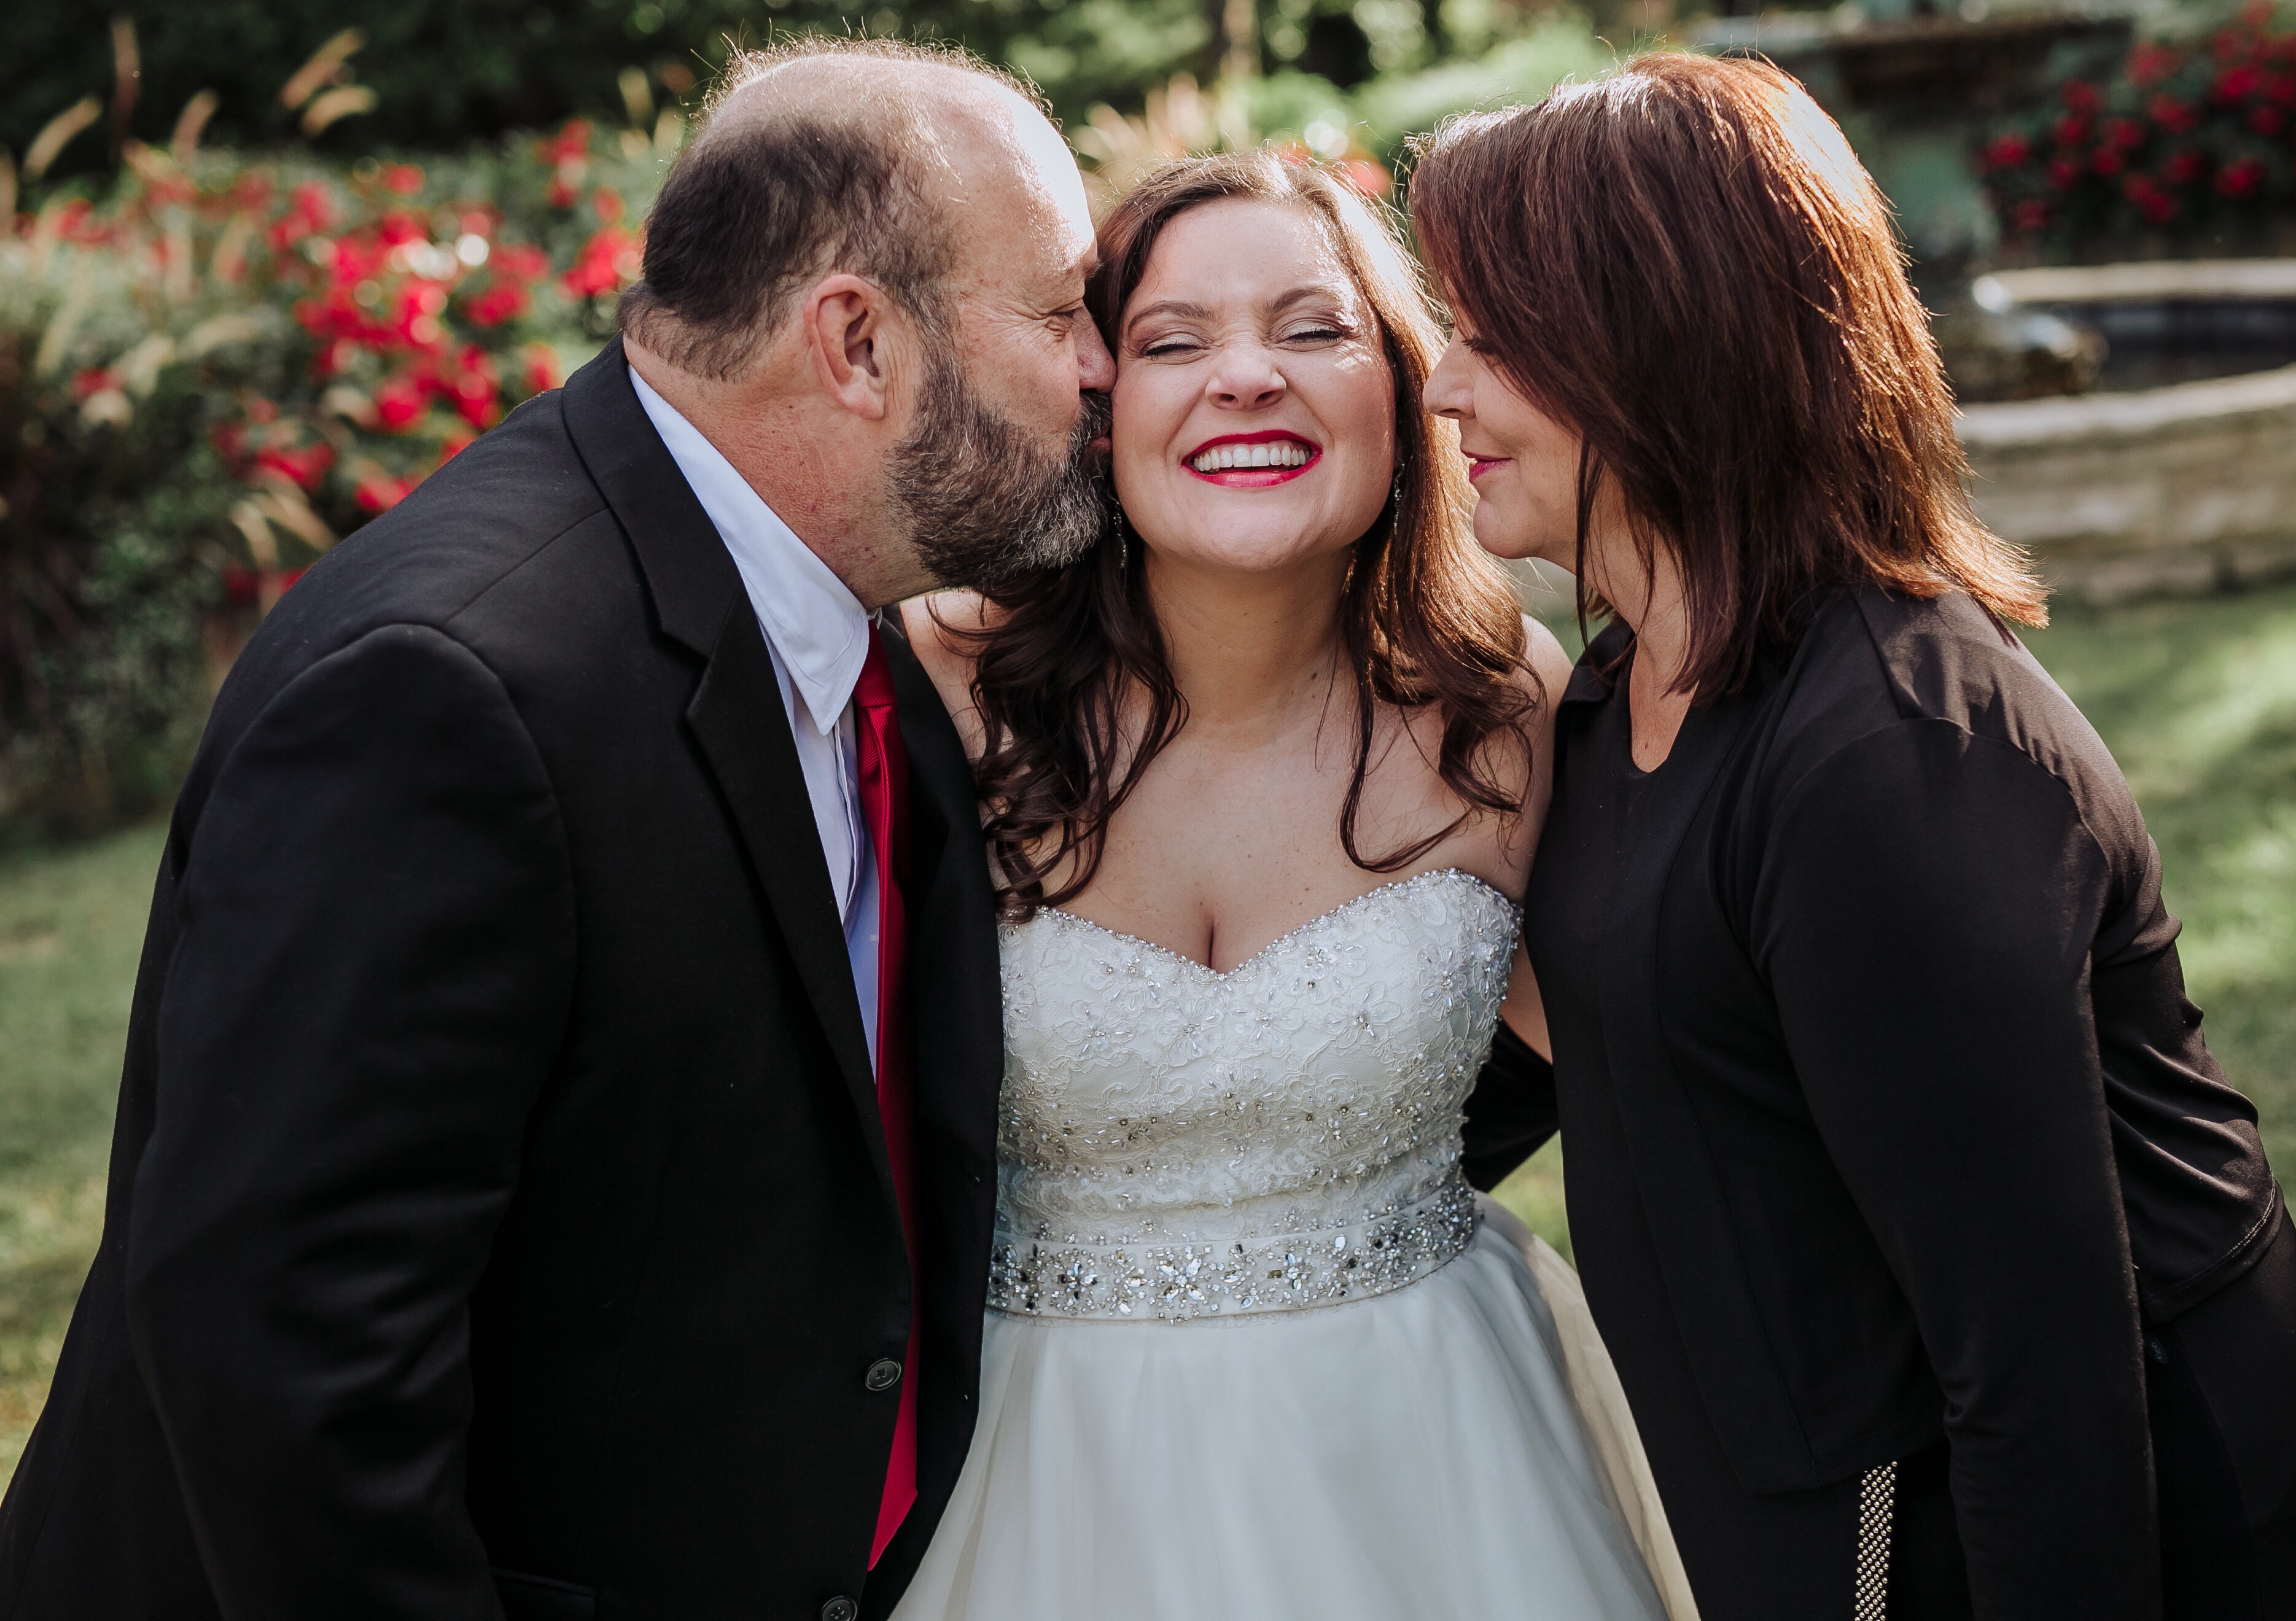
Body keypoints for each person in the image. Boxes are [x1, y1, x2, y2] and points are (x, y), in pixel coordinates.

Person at [0, 40, 1113, 1621]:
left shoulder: (844, 624)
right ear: (857, 342)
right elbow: (290, 1365)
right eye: (1061, 314)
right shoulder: (447, 690)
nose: (1100, 368)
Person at [1416, 53, 2296, 1621]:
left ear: (1659, 340)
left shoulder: (1893, 762)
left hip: (2003, 1511)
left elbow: (2041, 1362)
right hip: (1814, 1461)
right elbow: (1609, 1039)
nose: (1444, 387)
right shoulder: (1624, 681)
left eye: (1493, 338)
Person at [889, 152, 1687, 1621]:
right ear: (1093, 398)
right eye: (1172, 341)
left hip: (1439, 1458)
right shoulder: (932, 691)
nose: (1247, 377)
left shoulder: (1505, 706)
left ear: (1405, 390)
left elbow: (1618, 1046)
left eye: (1313, 329)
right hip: (1036, 1472)